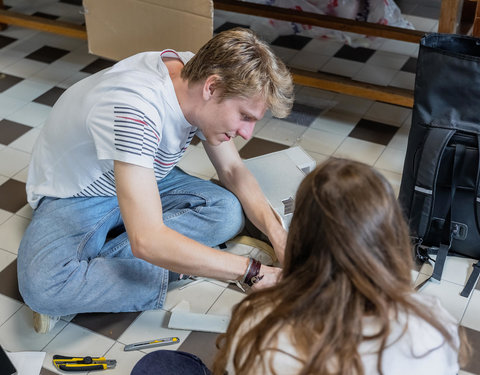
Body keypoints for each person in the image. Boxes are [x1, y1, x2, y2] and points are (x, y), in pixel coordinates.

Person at [17, 27, 294, 334]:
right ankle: (160, 265)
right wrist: (251, 271)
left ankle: (113, 268)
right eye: (245, 116)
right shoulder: (135, 110)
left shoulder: (196, 72)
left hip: (142, 172)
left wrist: (279, 237)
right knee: (45, 287)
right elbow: (147, 240)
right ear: (212, 88)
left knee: (227, 211)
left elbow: (233, 171)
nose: (246, 133)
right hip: (81, 192)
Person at [131, 158, 468, 375]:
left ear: (302, 240)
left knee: (159, 365)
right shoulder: (435, 324)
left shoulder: (259, 324)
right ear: (391, 236)